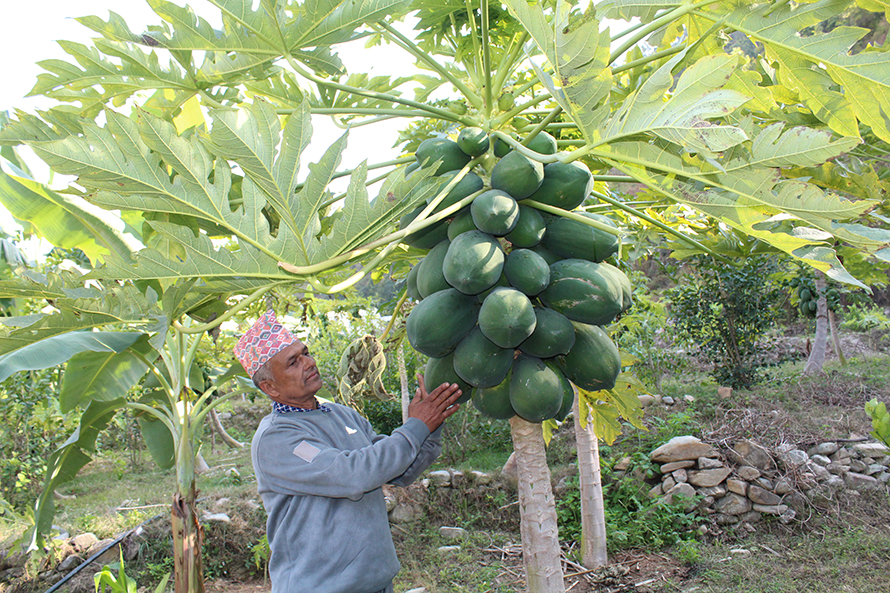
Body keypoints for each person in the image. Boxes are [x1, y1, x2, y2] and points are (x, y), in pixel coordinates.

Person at [234, 310, 462, 593]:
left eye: (305, 353)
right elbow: (353, 474)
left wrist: (430, 423)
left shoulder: (340, 413)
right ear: (270, 387)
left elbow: (398, 469)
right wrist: (417, 425)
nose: (309, 363)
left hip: (377, 583)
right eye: (293, 362)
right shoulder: (276, 439)